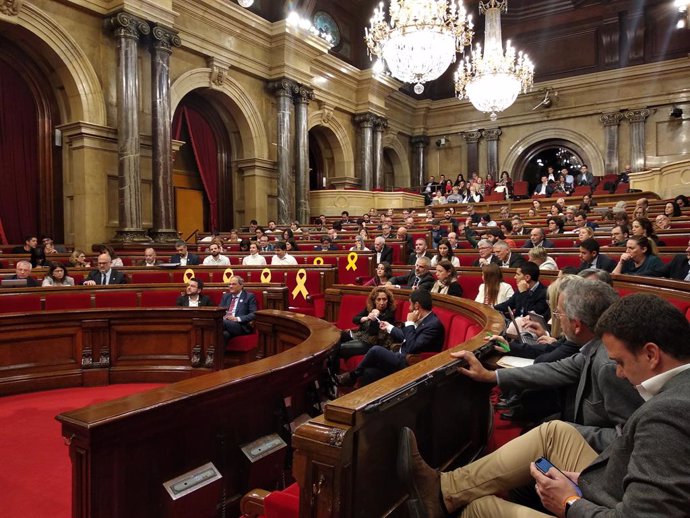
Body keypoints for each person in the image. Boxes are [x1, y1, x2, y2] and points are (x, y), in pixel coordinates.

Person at [397, 293, 690, 518]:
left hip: (615, 501)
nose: (619, 373)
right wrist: (589, 477)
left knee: (482, 507)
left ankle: (444, 498)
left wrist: (570, 502)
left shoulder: (668, 415)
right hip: (618, 481)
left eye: (622, 363)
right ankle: (443, 489)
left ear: (651, 354)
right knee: (554, 432)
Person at [336, 289, 444, 387]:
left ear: (416, 305)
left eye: (410, 305)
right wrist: (389, 327)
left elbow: (412, 347)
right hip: (398, 354)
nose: (409, 308)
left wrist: (410, 323)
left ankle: (352, 376)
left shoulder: (433, 325)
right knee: (367, 372)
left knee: (375, 350)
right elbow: (405, 337)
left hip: (409, 363)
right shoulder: (423, 319)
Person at [328, 286, 398, 377]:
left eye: (384, 299)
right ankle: (328, 374)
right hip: (359, 335)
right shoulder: (369, 309)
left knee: (337, 348)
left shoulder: (389, 314)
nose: (381, 302)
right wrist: (367, 317)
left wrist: (376, 316)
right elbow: (355, 319)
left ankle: (333, 377)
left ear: (388, 301)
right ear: (374, 301)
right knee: (334, 337)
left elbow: (373, 332)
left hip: (371, 342)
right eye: (379, 299)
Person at [220, 276, 257, 340]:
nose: (231, 286)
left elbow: (253, 314)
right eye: (230, 284)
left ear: (241, 286)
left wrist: (237, 318)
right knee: (224, 334)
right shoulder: (226, 296)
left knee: (221, 322)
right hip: (226, 324)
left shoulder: (249, 296)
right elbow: (219, 310)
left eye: (234, 284)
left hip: (240, 325)